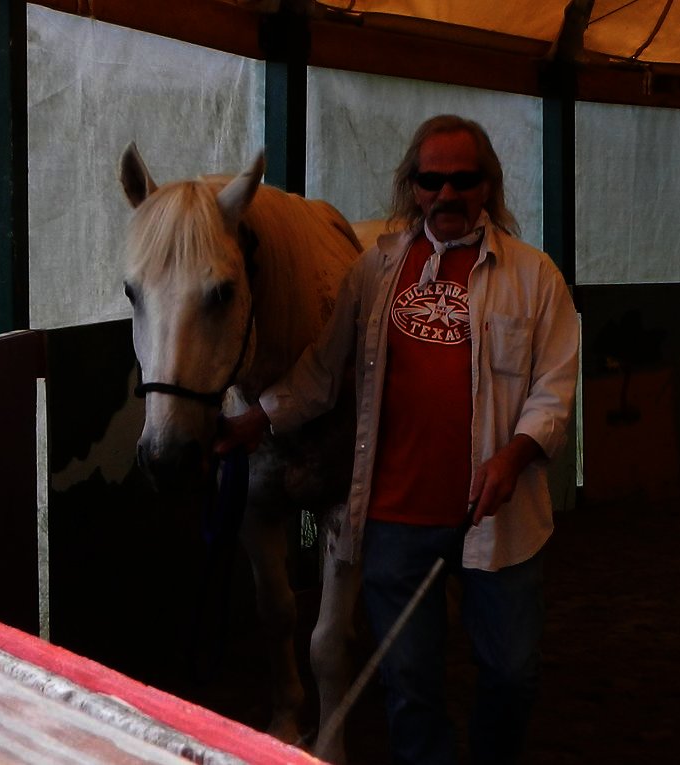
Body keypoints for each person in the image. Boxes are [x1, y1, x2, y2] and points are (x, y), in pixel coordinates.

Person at [218, 114, 579, 765]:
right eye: (430, 179)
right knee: (411, 687)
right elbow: (323, 373)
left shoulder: (535, 277)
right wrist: (256, 419)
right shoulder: (376, 271)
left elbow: (554, 390)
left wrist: (515, 453)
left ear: (487, 185)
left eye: (463, 179)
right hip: (394, 520)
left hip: (500, 520)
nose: (447, 194)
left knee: (512, 674)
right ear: (411, 186)